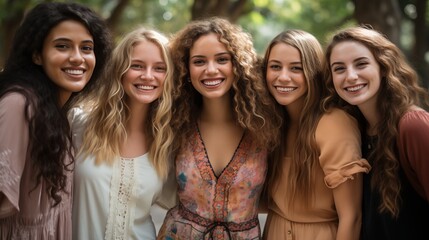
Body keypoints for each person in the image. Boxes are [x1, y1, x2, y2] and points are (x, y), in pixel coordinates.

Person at [157, 17, 281, 239]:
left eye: (222, 59)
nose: (211, 70)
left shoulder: (267, 125)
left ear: (238, 64)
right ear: (185, 68)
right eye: (199, 61)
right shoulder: (173, 123)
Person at [0, 2, 112, 239]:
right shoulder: (20, 104)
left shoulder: (57, 112)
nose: (77, 58)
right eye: (62, 46)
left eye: (87, 48)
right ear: (37, 54)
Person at [261, 29, 371, 240]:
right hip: (274, 230)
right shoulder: (271, 122)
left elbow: (352, 217)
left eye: (296, 68)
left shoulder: (333, 123)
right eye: (275, 66)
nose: (283, 77)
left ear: (313, 71)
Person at [70, 26, 176, 240]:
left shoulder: (168, 142)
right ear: (120, 69)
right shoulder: (78, 123)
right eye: (136, 66)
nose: (147, 76)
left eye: (159, 68)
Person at [324, 25, 429, 240]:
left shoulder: (413, 126)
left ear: (383, 66)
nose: (350, 76)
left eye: (361, 64)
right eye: (339, 68)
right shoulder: (354, 132)